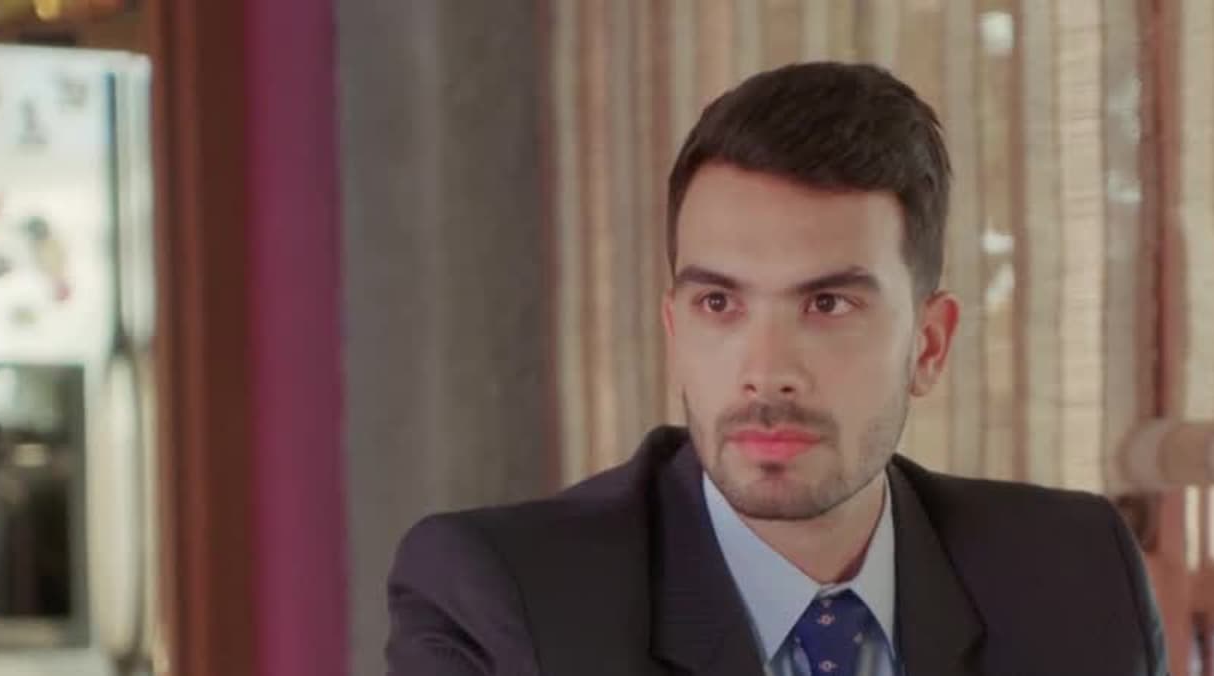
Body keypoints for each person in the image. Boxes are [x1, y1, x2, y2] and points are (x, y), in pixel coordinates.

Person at [386, 61, 1169, 676]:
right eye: (719, 304)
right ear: (675, 332)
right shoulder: (505, 598)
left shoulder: (1073, 576)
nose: (765, 373)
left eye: (826, 304)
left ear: (928, 346)